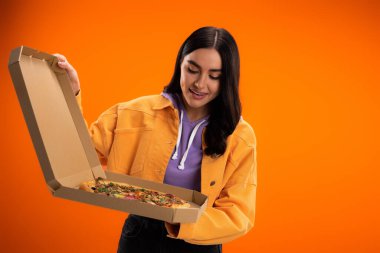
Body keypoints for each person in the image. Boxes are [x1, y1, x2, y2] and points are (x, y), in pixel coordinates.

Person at [55, 26, 257, 253]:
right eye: (192, 69)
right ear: (180, 64)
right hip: (141, 236)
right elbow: (77, 156)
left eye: (214, 76)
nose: (200, 84)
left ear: (227, 80)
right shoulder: (136, 113)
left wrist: (181, 222)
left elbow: (239, 212)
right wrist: (69, 93)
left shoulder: (240, 136)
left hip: (200, 242)